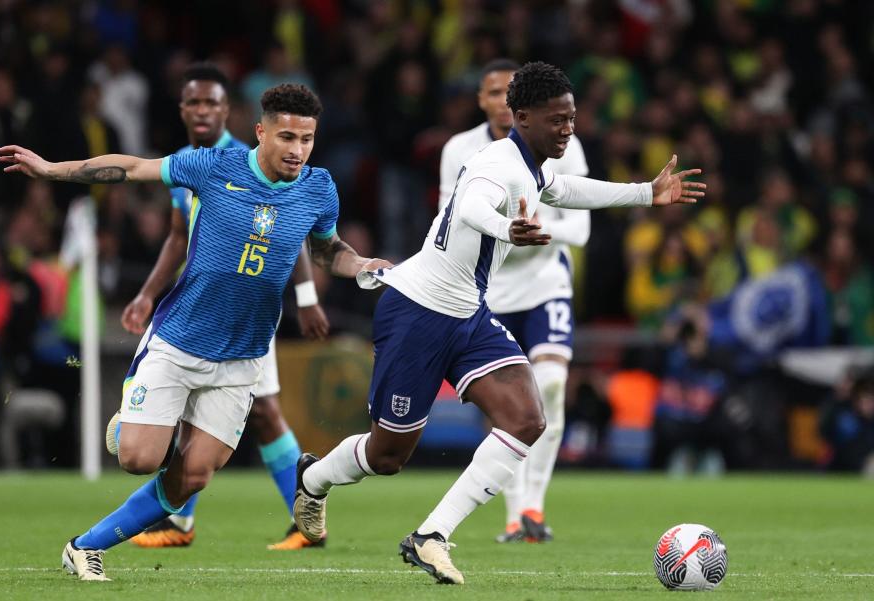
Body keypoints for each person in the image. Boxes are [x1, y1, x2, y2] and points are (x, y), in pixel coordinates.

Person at [292, 62, 704, 585]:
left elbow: (567, 190)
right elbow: (471, 208)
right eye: (557, 121)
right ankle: (313, 477)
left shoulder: (530, 163)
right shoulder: (493, 165)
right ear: (523, 117)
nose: (568, 130)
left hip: (467, 314)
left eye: (572, 119)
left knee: (528, 418)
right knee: (388, 453)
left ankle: (431, 536)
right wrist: (506, 225)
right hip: (417, 312)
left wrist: (645, 193)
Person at [0, 83, 389, 582]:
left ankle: (83, 547)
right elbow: (134, 168)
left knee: (195, 475)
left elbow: (328, 249)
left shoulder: (318, 187)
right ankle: (140, 417)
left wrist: (361, 265)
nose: (297, 150)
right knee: (140, 459)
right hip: (180, 340)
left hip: (243, 358)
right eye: (287, 137)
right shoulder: (212, 166)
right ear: (261, 131)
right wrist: (54, 170)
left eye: (307, 139)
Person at [112, 63, 330, 551]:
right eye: (194, 102)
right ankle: (184, 520)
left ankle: (302, 514)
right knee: (221, 414)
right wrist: (148, 293)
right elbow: (177, 236)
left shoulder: (255, 157)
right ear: (183, 109)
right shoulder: (186, 162)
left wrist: (307, 295)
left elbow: (290, 231)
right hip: (197, 310)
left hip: (246, 314)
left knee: (267, 412)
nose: (203, 110)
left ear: (229, 112)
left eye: (212, 102)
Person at [439, 58, 592, 544]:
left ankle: (533, 507)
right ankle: (513, 515)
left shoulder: (561, 139)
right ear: (485, 101)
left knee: (549, 383)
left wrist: (538, 233)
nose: (503, 101)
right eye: (492, 92)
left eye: (510, 91)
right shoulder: (460, 149)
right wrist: (506, 230)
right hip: (490, 288)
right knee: (507, 407)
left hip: (546, 281)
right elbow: (453, 215)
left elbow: (582, 229)